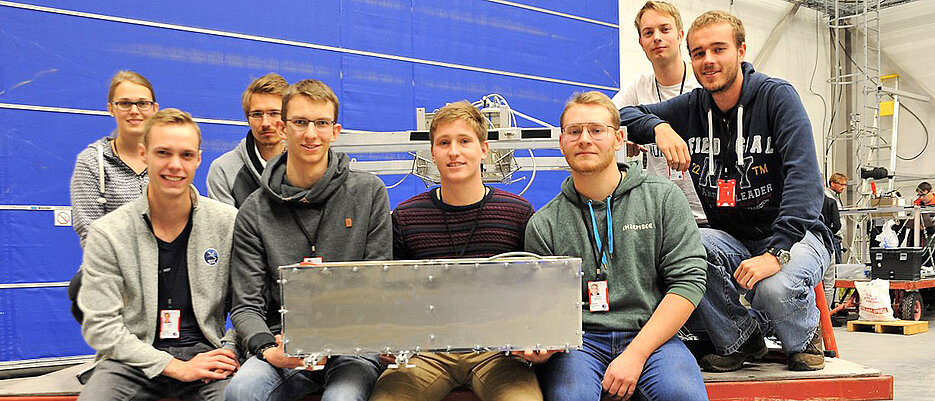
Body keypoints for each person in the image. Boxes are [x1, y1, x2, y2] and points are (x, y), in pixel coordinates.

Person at [619, 11, 833, 372]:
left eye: (719, 49)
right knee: (681, 251)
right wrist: (659, 128)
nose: (708, 61)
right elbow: (620, 116)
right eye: (699, 53)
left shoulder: (776, 97)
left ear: (741, 50)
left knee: (772, 290)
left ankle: (804, 334)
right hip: (733, 237)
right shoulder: (692, 107)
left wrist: (776, 252)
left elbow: (805, 179)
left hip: (797, 237)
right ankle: (742, 338)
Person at [522, 91, 708, 401]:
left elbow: (688, 282)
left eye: (596, 130)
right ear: (562, 142)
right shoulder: (544, 225)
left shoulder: (662, 199)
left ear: (619, 138)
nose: (585, 139)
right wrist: (540, 346)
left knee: (683, 396)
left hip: (653, 337)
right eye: (574, 131)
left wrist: (636, 354)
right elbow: (544, 307)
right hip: (579, 344)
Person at [225, 79, 390, 401]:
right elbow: (245, 305)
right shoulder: (254, 210)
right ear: (284, 128)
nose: (311, 134)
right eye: (300, 122)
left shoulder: (369, 194)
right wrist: (268, 348)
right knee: (242, 391)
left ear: (335, 130)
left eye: (321, 123)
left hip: (352, 346)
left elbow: (378, 284)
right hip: (282, 343)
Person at [369, 101, 539, 401]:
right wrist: (388, 338)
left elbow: (535, 289)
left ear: (484, 149)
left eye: (464, 141)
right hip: (426, 353)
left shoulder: (517, 213)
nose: (454, 152)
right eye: (444, 143)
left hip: (498, 353)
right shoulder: (407, 217)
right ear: (432, 152)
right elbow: (389, 292)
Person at [76, 108, 239, 401]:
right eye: (163, 153)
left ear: (198, 159)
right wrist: (174, 366)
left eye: (186, 155)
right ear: (143, 154)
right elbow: (101, 328)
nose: (175, 165)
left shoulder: (228, 223)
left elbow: (247, 306)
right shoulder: (108, 232)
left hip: (207, 355)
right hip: (132, 360)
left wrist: (228, 349)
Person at [69, 70, 159, 321]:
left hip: (164, 264)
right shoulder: (91, 162)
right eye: (125, 103)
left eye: (142, 103)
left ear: (154, 108)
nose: (134, 111)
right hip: (111, 267)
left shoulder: (165, 159)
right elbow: (89, 231)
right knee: (81, 290)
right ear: (111, 108)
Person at [614, 1, 707, 226]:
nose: (657, 37)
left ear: (680, 35)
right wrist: (625, 134)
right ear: (641, 42)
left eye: (665, 29)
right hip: (661, 216)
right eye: (648, 32)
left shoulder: (704, 83)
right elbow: (605, 118)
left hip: (708, 216)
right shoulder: (639, 87)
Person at [207, 73, 288, 207]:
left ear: (288, 116)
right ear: (247, 119)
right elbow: (225, 227)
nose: (265, 123)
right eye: (257, 114)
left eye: (274, 113)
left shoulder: (304, 162)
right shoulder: (223, 169)